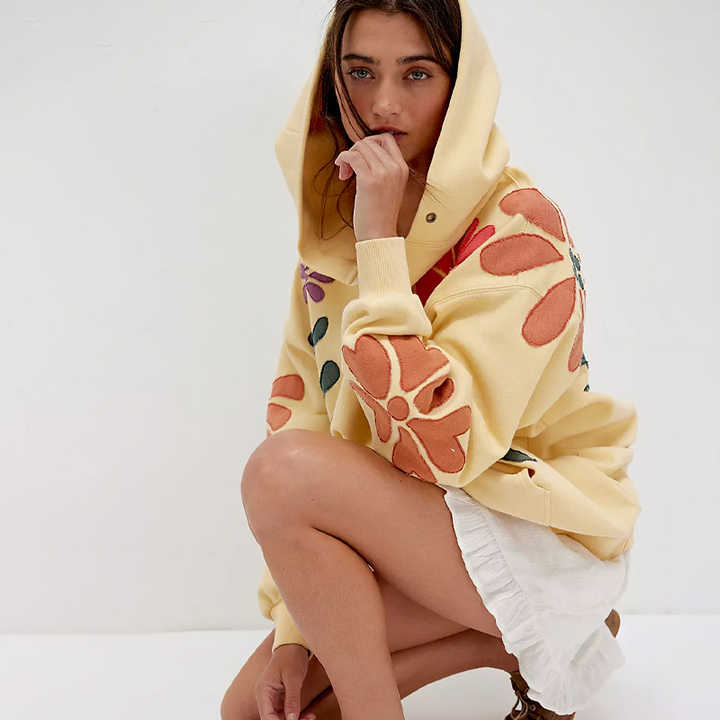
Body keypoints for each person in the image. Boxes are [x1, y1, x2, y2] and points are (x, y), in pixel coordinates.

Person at [222, 1, 640, 719]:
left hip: (536, 534)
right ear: (332, 83)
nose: (383, 105)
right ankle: (510, 644)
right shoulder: (333, 240)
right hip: (420, 536)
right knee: (255, 713)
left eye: (417, 74)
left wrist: (380, 242)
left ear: (461, 84)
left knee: (279, 472)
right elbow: (306, 415)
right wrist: (295, 626)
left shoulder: (521, 231)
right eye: (361, 72)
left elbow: (443, 446)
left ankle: (542, 627)